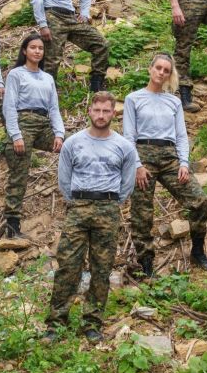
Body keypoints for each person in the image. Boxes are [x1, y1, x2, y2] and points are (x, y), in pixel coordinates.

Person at [45, 92, 138, 343]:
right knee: (68, 265)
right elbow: (64, 179)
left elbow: (127, 183)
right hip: (78, 206)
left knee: (101, 267)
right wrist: (75, 200)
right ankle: (56, 323)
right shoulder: (73, 143)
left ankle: (92, 323)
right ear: (89, 111)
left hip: (108, 208)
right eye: (97, 110)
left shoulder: (124, 146)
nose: (101, 115)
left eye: (106, 111)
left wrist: (113, 202)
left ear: (113, 113)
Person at [123, 53, 207, 278]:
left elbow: (182, 136)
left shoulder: (173, 101)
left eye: (166, 70)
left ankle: (198, 251)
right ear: (150, 68)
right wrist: (136, 165)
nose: (161, 73)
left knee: (200, 201)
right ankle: (146, 265)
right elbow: (128, 136)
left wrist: (184, 163)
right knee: (142, 213)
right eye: (158, 68)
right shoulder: (133, 98)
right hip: (142, 156)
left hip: (170, 155)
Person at [1, 34, 65, 238]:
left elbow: (54, 108)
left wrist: (59, 134)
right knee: (19, 173)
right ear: (24, 51)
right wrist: (15, 135)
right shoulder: (16, 74)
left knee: (74, 146)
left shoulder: (47, 78)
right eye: (33, 47)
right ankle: (12, 226)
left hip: (43, 123)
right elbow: (9, 106)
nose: (37, 51)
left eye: (40, 48)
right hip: (23, 122)